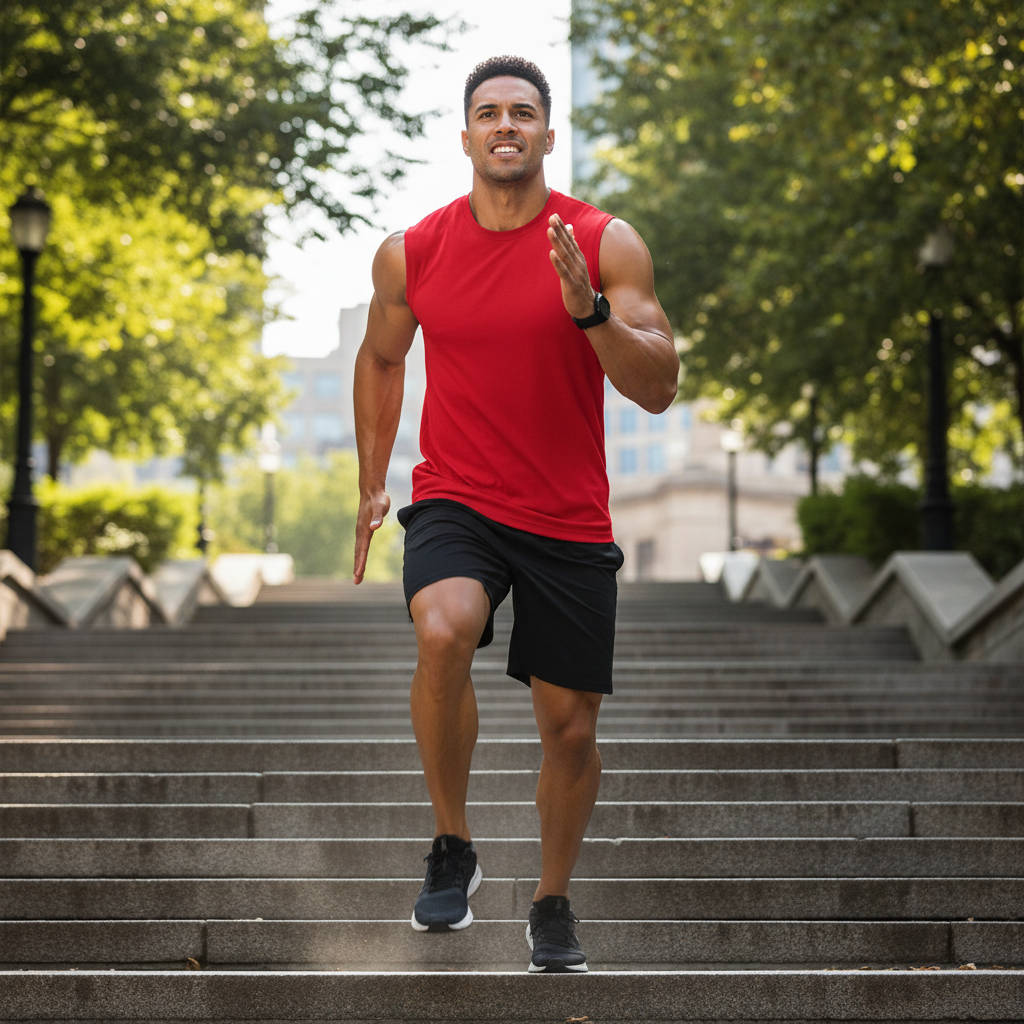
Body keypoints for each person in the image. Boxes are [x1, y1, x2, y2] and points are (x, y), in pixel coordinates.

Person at [353, 55, 677, 973]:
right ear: (465, 136)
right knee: (444, 626)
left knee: (570, 727)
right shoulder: (412, 251)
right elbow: (381, 360)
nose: (506, 126)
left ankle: (552, 899)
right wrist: (374, 480)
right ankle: (453, 842)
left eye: (523, 113)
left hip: (568, 514)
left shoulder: (605, 242)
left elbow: (659, 385)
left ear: (545, 133)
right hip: (458, 492)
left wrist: (592, 315)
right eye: (488, 113)